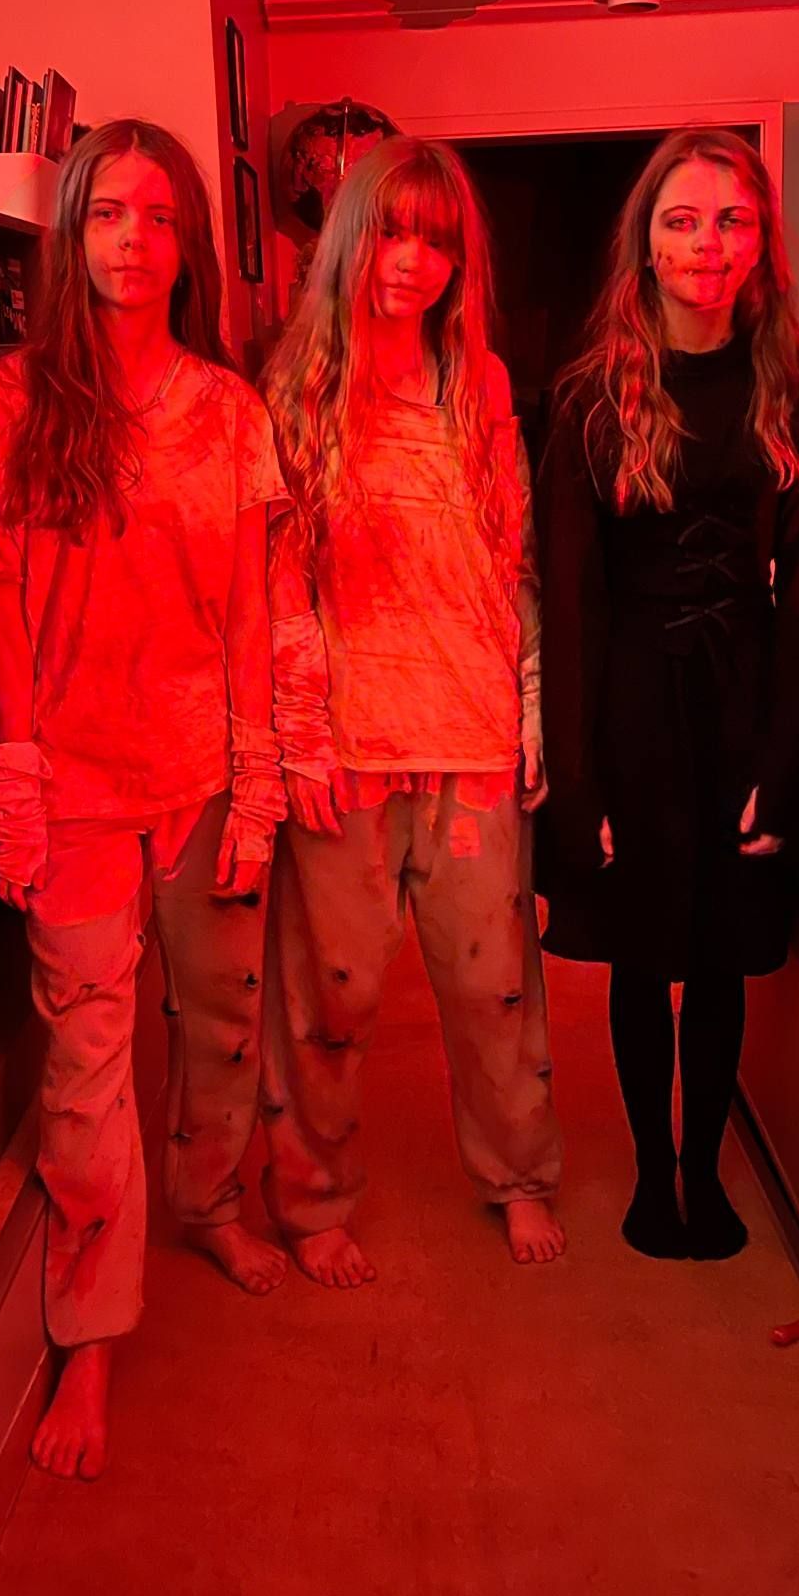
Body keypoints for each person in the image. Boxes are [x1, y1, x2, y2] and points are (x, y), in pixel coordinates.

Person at [0, 119, 289, 1480]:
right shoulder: (12, 404)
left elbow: (253, 615)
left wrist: (258, 785)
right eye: (106, 213)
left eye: (157, 215)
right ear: (71, 234)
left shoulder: (232, 412)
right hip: (79, 785)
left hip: (204, 774)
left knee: (222, 1026)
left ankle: (211, 1204)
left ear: (187, 240)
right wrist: (19, 793)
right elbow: (4, 619)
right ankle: (91, 1334)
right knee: (87, 1071)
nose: (133, 240)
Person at [260, 135, 565, 1289]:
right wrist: (298, 738)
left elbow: (513, 561)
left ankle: (519, 1170)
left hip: (470, 734)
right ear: (351, 236)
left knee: (494, 988)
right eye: (392, 231)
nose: (411, 260)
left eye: (436, 241)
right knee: (330, 999)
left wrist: (529, 707)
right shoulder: (296, 386)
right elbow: (277, 582)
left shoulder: (480, 384)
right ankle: (313, 1194)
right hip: (347, 743)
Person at [538, 128, 799, 1262]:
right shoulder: (589, 396)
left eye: (730, 220)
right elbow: (572, 601)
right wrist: (578, 780)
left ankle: (703, 1171)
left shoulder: (794, 390)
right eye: (682, 221)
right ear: (646, 244)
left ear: (759, 243)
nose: (707, 244)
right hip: (630, 703)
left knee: (718, 959)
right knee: (640, 955)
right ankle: (650, 1174)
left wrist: (783, 753)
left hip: (742, 698)